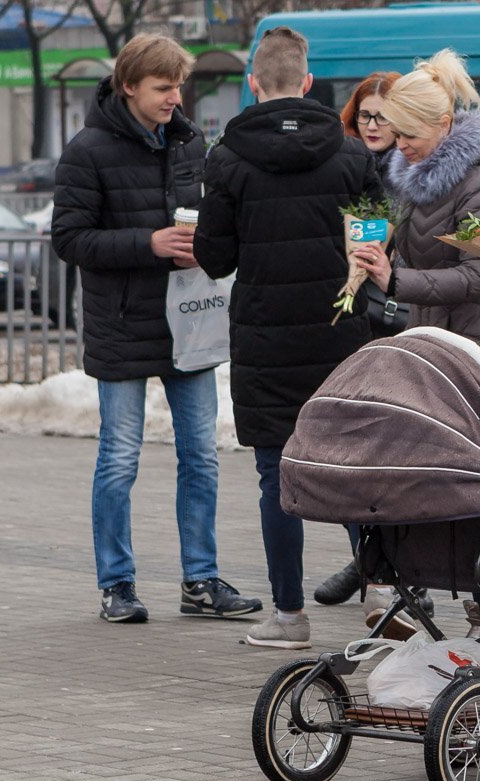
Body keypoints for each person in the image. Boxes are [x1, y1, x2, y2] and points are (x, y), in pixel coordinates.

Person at [51, 34, 262, 625]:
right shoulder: (87, 150)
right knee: (120, 458)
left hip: (189, 323)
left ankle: (200, 579)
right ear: (129, 87)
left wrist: (208, 246)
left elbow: (213, 216)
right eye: (164, 87)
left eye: (179, 86)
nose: (176, 97)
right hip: (121, 323)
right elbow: (68, 238)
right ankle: (116, 584)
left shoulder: (191, 140)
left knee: (202, 455)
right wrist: (148, 244)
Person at [193, 26, 378, 649]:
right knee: (355, 472)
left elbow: (214, 258)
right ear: (306, 82)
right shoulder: (353, 155)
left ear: (252, 85)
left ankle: (290, 618)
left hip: (265, 340)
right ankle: (382, 600)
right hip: (343, 335)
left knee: (278, 477)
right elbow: (376, 239)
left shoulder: (227, 159)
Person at [351, 49, 480, 647]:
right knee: (436, 471)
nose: (398, 145)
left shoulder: (478, 184)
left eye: (410, 134)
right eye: (394, 133)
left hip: (479, 347)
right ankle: (452, 594)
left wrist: (395, 281)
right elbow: (419, 256)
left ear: (445, 125)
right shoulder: (414, 179)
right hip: (433, 341)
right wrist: (379, 258)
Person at [313, 71, 434, 632]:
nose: (374, 125)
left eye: (384, 116)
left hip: (407, 314)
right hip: (356, 317)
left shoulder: (418, 173)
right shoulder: (344, 167)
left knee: (403, 449)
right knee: (357, 448)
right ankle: (370, 564)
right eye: (365, 116)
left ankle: (408, 576)